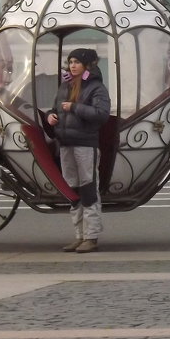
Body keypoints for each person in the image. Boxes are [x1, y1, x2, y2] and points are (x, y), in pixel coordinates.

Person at [47, 47, 110, 253]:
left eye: (76, 62)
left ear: (87, 65)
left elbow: (101, 114)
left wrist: (73, 108)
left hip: (85, 144)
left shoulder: (96, 88)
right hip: (65, 143)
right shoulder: (66, 85)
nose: (72, 65)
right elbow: (57, 108)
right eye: (70, 61)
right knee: (72, 190)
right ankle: (79, 235)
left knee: (88, 188)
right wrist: (51, 116)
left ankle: (91, 236)